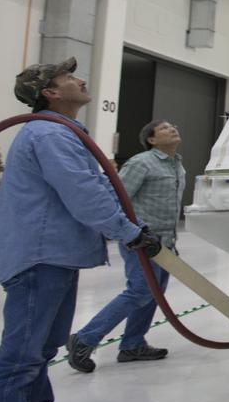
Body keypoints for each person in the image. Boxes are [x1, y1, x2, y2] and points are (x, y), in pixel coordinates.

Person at [0, 59, 161, 402]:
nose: (80, 80)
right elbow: (84, 192)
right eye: (68, 78)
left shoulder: (59, 132)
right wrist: (129, 233)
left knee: (40, 349)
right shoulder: (49, 133)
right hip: (42, 258)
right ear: (51, 93)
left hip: (54, 256)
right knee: (20, 357)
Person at [67, 120, 184, 372]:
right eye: (164, 128)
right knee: (140, 291)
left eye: (172, 126)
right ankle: (85, 338)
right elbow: (117, 198)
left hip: (165, 242)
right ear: (151, 140)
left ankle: (132, 344)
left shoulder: (177, 166)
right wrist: (131, 233)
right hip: (142, 240)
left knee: (153, 294)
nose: (172, 129)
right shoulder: (141, 163)